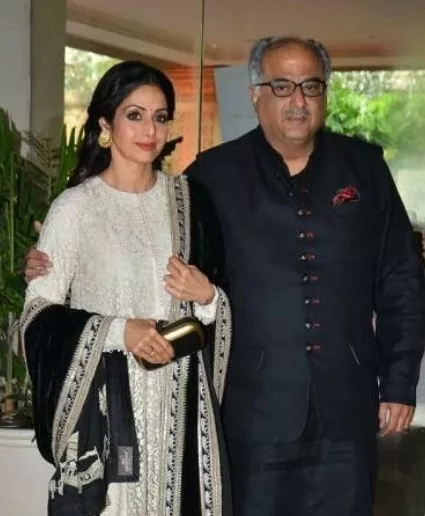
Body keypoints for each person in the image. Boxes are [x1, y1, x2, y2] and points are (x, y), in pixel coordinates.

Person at [25, 38, 425, 516]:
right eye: (282, 86)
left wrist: (399, 382)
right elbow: (104, 267)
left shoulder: (364, 168)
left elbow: (402, 280)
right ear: (256, 93)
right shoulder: (211, 176)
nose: (298, 100)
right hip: (249, 416)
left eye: (311, 85)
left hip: (345, 409)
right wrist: (50, 263)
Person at [21, 60, 232, 516]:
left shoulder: (191, 202)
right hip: (109, 411)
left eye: (160, 116)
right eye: (134, 115)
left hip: (181, 412)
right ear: (105, 124)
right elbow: (36, 316)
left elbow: (220, 304)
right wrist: (119, 331)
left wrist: (207, 297)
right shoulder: (75, 209)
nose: (150, 130)